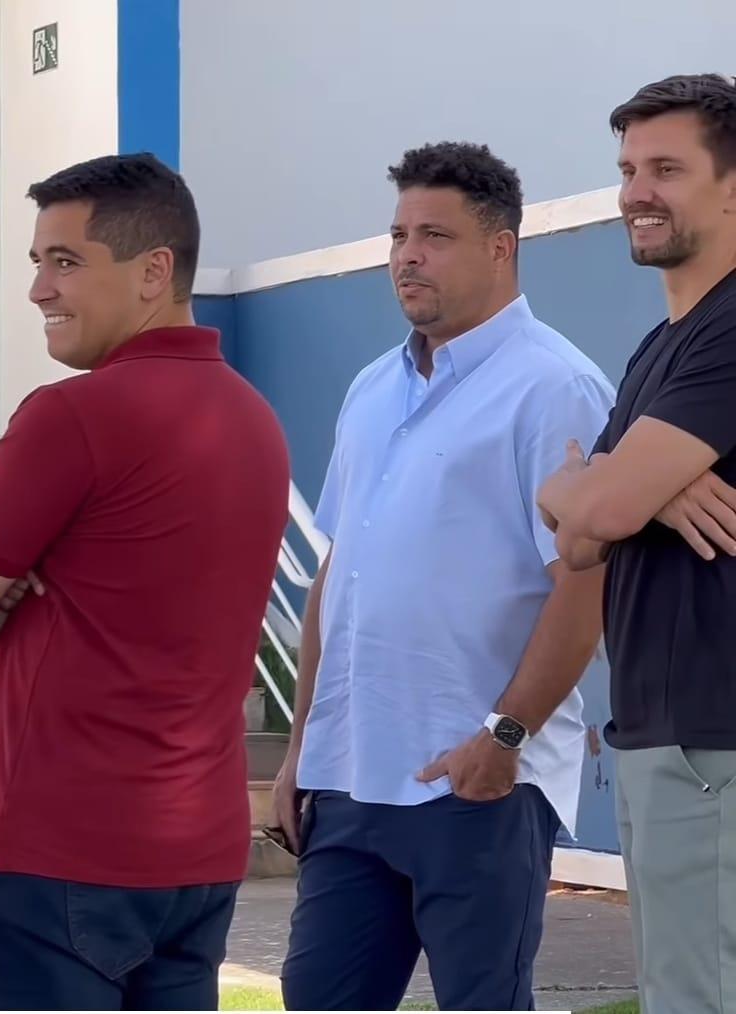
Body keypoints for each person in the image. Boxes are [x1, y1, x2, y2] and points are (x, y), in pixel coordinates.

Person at [0, 152, 290, 1012]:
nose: (38, 290)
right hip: (193, 859)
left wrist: (2, 573)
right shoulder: (255, 420)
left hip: (53, 858)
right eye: (37, 263)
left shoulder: (73, 415)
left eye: (65, 262)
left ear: (154, 272)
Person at [272, 142, 615, 1011]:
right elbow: (333, 578)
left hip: (476, 786)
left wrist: (502, 739)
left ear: (502, 247)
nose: (407, 255)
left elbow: (585, 588)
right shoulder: (369, 390)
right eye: (397, 234)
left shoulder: (554, 387)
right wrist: (302, 752)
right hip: (349, 782)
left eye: (435, 234)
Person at [538, 73, 736, 1014]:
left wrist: (614, 491)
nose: (635, 192)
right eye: (626, 169)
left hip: (715, 740)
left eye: (666, 167)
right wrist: (621, 492)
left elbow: (597, 512)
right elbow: (577, 532)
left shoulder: (731, 328)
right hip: (669, 735)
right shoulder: (662, 346)